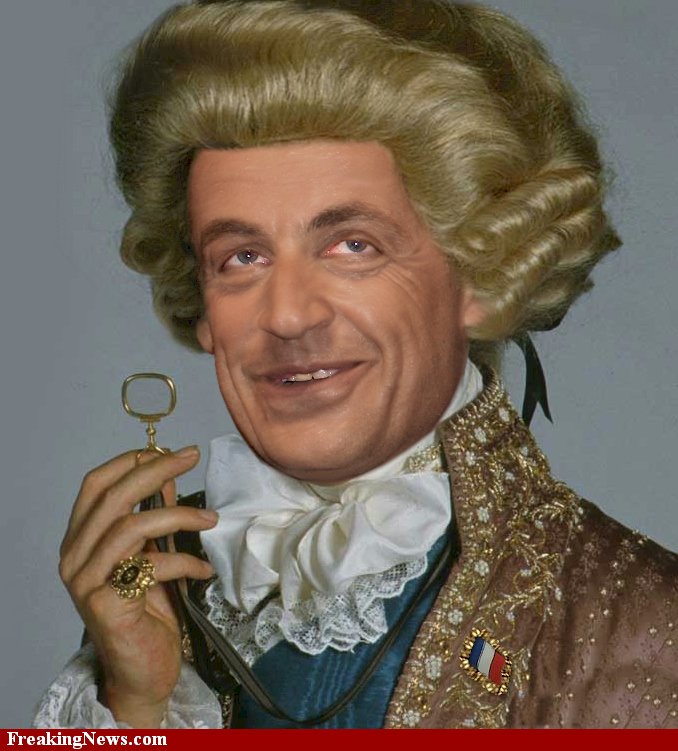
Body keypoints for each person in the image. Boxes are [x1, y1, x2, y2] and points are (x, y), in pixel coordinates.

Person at [35, 0, 677, 729]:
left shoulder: (639, 620)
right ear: (204, 309)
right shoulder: (160, 583)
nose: (288, 315)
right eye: (241, 258)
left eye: (352, 246)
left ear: (480, 276)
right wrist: (136, 705)